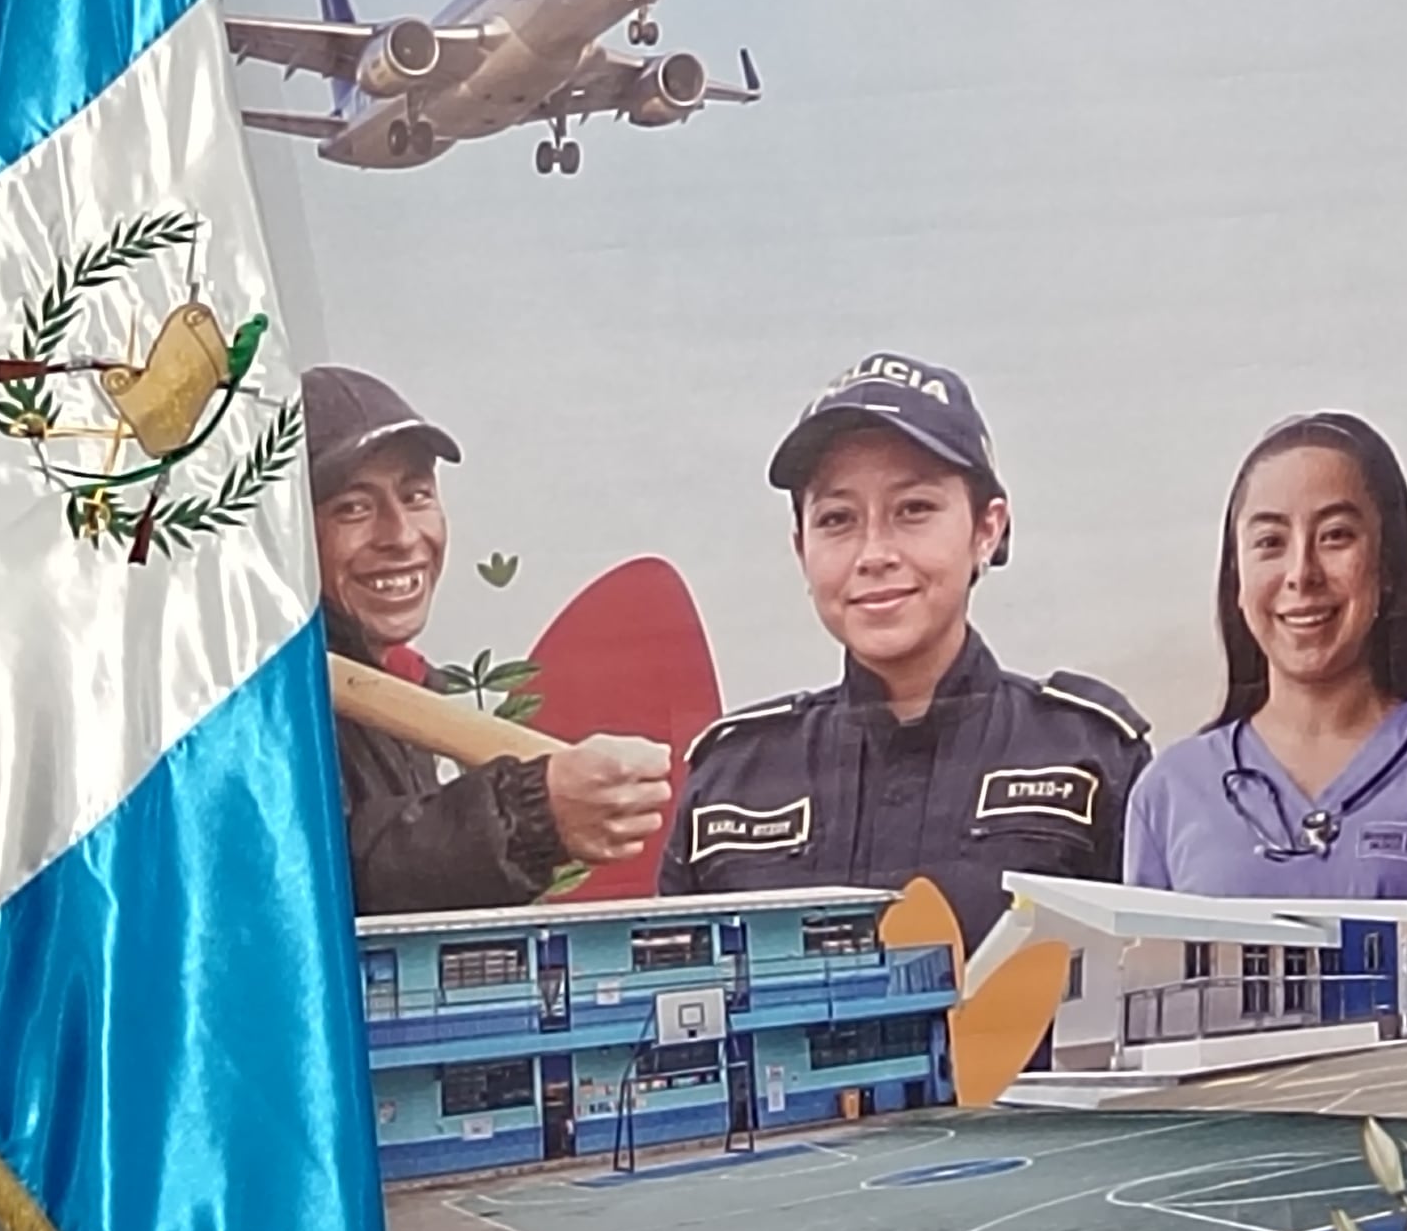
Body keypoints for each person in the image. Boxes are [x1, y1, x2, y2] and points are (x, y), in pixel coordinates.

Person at [665, 354, 1147, 936]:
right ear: (800, 547)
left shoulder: (1089, 754)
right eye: (838, 519)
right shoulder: (732, 774)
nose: (874, 554)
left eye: (913, 510)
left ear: (986, 529)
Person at [1122, 414, 1407, 914]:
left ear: (1387, 565)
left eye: (1336, 535)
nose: (1302, 573)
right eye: (1270, 543)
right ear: (1237, 576)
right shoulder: (1168, 791)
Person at [307, 366, 676, 917]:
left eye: (416, 495)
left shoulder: (402, 682)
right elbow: (318, 883)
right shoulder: (262, 702)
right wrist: (528, 814)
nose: (402, 536)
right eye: (353, 508)